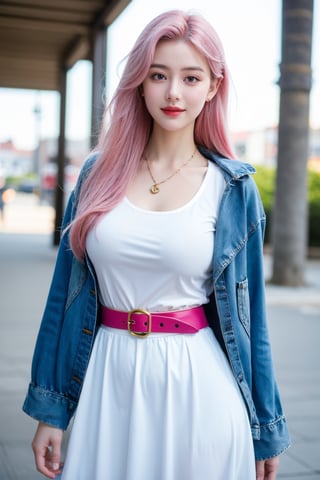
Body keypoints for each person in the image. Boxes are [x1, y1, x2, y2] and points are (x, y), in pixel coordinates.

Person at [23, 9, 290, 480]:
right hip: (104, 379)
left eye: (191, 77)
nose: (172, 93)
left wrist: (265, 428)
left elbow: (253, 321)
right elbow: (62, 298)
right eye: (158, 75)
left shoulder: (232, 190)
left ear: (212, 87)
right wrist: (51, 409)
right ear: (139, 84)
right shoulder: (96, 176)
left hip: (199, 389)